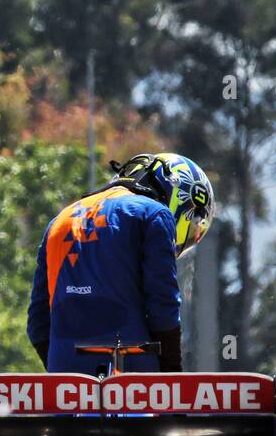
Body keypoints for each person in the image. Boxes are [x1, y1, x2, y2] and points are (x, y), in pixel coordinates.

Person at [26, 152, 215, 375]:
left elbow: (38, 325)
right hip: (131, 378)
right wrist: (172, 378)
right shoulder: (154, 215)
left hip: (66, 379)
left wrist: (63, 371)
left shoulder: (59, 220)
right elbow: (163, 308)